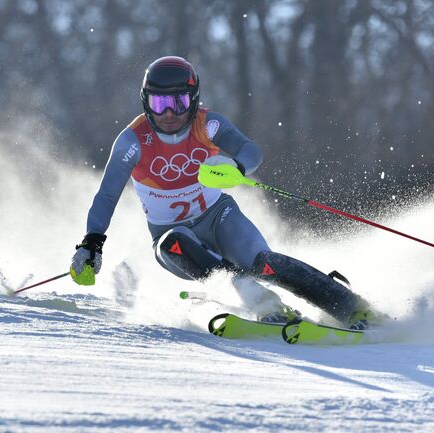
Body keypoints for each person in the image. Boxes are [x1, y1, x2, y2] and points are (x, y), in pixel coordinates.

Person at [70, 56, 380, 329]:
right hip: (174, 237)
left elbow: (251, 150)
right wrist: (92, 242)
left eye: (179, 102)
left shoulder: (209, 125)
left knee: (262, 263)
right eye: (159, 103)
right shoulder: (132, 141)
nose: (169, 113)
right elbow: (107, 195)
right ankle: (262, 302)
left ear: (194, 99)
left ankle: (352, 307)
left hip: (220, 218)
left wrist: (236, 166)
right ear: (145, 102)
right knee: (172, 244)